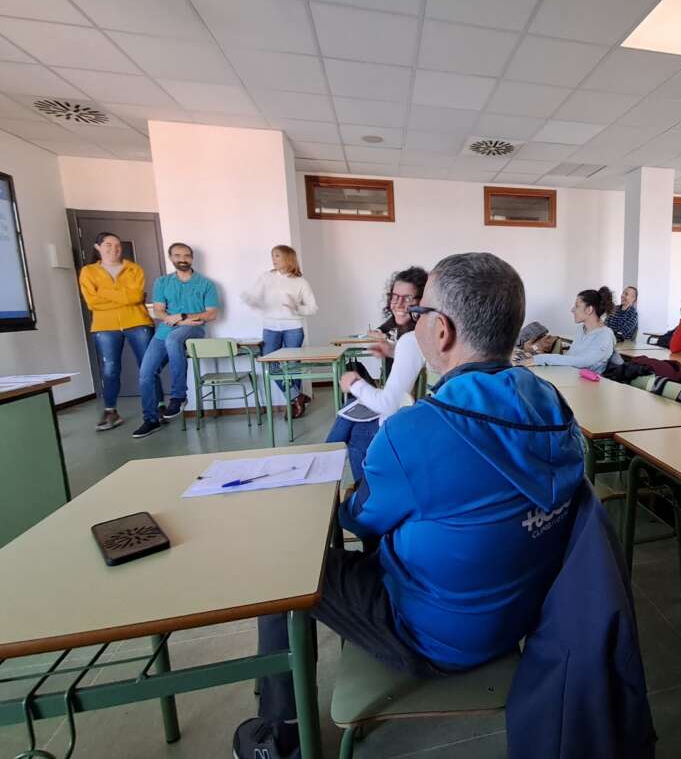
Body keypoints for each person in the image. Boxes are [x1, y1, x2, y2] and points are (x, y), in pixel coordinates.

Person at [234, 252, 586, 758]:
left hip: (433, 637)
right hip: (522, 618)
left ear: (441, 330)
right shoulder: (552, 405)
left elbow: (359, 519)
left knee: (285, 571)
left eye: (418, 312)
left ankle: (278, 735)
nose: (411, 319)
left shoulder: (415, 431)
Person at [325, 266, 428, 482]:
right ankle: (327, 471)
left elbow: (389, 404)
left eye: (407, 298)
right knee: (349, 412)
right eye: (394, 297)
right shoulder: (421, 334)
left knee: (353, 426)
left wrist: (354, 382)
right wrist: (392, 350)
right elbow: (414, 355)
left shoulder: (411, 339)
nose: (398, 304)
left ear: (423, 301)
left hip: (408, 421)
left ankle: (353, 486)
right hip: (415, 412)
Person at [132, 242, 219, 439]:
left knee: (173, 339)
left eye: (187, 255)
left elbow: (212, 314)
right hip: (164, 331)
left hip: (193, 329)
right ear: (171, 258)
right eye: (178, 255)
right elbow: (159, 311)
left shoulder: (206, 284)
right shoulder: (162, 282)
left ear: (192, 258)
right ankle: (151, 419)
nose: (183, 259)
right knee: (145, 373)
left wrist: (183, 316)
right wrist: (177, 320)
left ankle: (179, 396)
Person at [78, 232, 160, 432]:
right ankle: (111, 412)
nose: (114, 249)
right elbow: (92, 302)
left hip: (137, 321)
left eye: (117, 245)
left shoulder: (134, 269)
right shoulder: (88, 272)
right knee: (110, 369)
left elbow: (136, 297)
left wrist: (104, 292)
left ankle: (158, 407)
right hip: (105, 326)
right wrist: (123, 297)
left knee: (148, 366)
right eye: (108, 244)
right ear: (98, 247)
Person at [241, 245, 318, 418]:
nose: (273, 259)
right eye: (272, 256)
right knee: (270, 363)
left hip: (293, 328)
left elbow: (313, 308)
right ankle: (296, 396)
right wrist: (250, 300)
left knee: (293, 366)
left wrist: (296, 308)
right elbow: (255, 297)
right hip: (270, 328)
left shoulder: (301, 282)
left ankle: (294, 405)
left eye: (277, 256)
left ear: (288, 259)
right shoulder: (266, 277)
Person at [523, 286, 622, 374]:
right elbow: (570, 358)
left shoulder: (605, 336)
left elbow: (582, 361)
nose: (572, 310)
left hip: (588, 385)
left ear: (589, 310)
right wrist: (537, 355)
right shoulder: (581, 329)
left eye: (577, 306)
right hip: (571, 376)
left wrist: (541, 359)